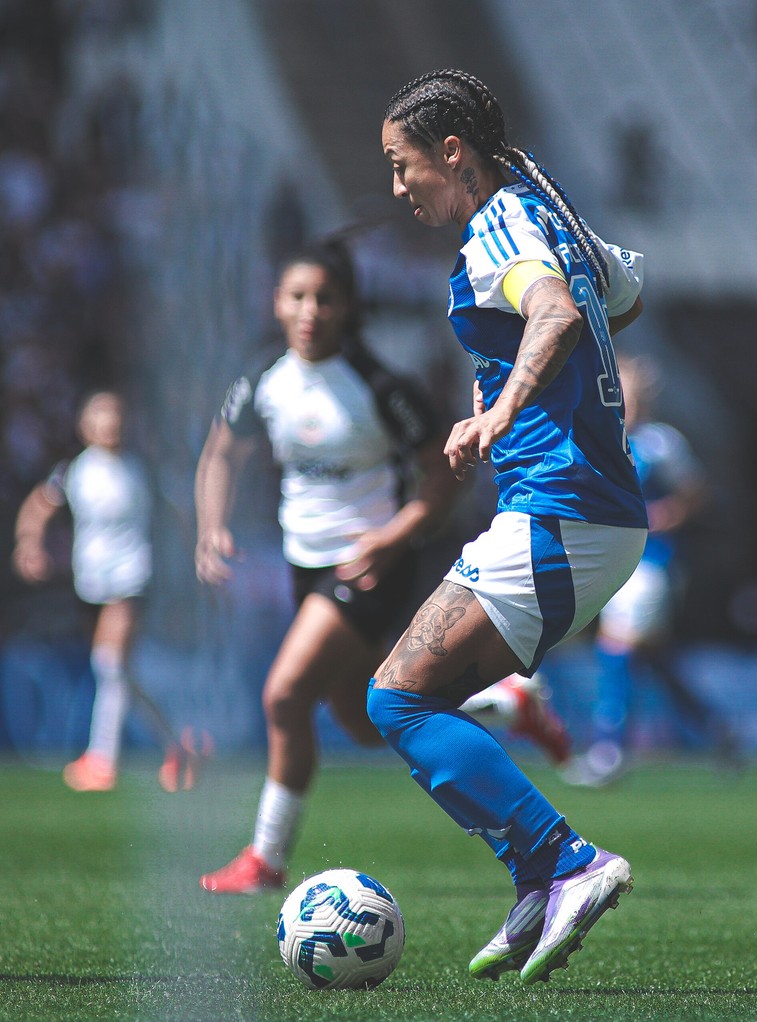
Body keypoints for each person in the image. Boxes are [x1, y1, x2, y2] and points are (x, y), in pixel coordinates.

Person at [373, 69, 648, 985]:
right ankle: (538, 874)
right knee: (423, 700)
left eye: (402, 164)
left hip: (561, 506)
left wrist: (503, 407)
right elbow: (621, 296)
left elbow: (560, 311)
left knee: (396, 699)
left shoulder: (501, 224)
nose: (399, 184)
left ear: (452, 152)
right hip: (589, 513)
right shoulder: (547, 215)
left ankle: (566, 861)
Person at [195, 238, 571, 894]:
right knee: (367, 724)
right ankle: (504, 705)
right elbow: (222, 452)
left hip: (369, 566)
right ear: (276, 303)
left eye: (324, 297)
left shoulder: (379, 386)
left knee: (285, 695)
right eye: (297, 296)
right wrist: (211, 526)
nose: (310, 310)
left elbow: (443, 475)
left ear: (347, 307)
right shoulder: (263, 383)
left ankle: (265, 860)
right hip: (305, 566)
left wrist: (392, 539)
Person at [562, 354, 739, 788]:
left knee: (616, 650)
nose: (629, 402)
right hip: (611, 563)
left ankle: (609, 751)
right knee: (655, 661)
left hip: (650, 565)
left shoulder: (662, 444)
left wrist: (667, 513)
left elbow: (696, 494)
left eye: (636, 394)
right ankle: (718, 730)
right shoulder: (598, 437)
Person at [11, 390, 197, 792]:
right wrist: (29, 543)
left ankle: (101, 759)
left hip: (131, 579)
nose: (109, 423)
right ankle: (176, 747)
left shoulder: (141, 469)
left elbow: (177, 512)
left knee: (110, 666)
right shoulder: (73, 471)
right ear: (86, 425)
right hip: (89, 582)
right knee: (118, 672)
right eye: (100, 415)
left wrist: (192, 552)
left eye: (115, 415)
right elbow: (37, 507)